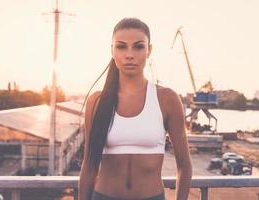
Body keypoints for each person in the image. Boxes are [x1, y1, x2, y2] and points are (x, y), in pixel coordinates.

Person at [78, 17, 192, 200]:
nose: (129, 54)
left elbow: (184, 166)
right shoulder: (97, 102)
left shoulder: (167, 99)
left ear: (149, 50)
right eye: (121, 47)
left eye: (138, 46)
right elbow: (89, 166)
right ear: (112, 50)